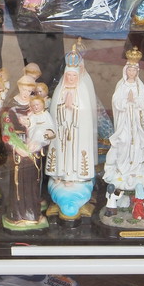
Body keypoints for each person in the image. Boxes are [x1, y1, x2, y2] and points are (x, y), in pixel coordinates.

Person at [45, 45, 97, 218]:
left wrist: (73, 106)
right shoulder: (60, 90)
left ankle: (75, 177)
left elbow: (85, 114)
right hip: (62, 132)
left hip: (77, 133)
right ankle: (60, 175)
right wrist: (62, 106)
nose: (71, 79)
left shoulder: (82, 91)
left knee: (75, 156)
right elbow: (54, 112)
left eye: (74, 76)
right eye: (69, 76)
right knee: (62, 154)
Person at [0, 74, 49, 230]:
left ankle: (32, 213)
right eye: (24, 89)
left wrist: (39, 142)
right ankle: (17, 214)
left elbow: (45, 127)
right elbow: (7, 132)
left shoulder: (36, 106)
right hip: (18, 149)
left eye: (30, 90)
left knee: (33, 182)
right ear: (19, 87)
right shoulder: (11, 107)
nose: (26, 93)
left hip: (33, 149)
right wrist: (16, 147)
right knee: (17, 183)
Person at [103, 47, 144, 193]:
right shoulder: (122, 85)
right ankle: (123, 167)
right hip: (125, 121)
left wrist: (135, 101)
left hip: (136, 122)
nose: (131, 73)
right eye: (129, 70)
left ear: (137, 72)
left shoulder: (139, 86)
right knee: (124, 141)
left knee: (136, 142)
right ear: (126, 71)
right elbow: (116, 102)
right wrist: (126, 102)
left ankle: (135, 168)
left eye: (134, 71)